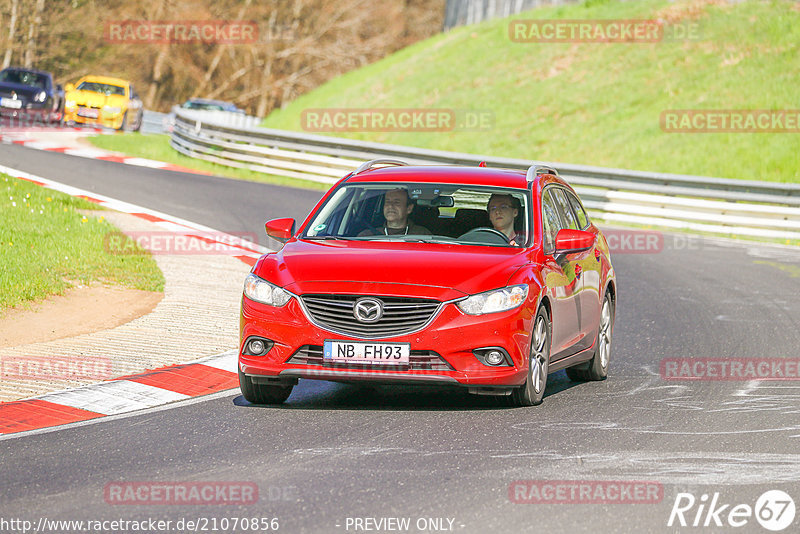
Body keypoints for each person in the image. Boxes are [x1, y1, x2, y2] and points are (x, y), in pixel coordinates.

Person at [359, 188, 431, 236]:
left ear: (409, 208)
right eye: (387, 202)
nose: (390, 206)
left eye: (396, 202)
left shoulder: (423, 235)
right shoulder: (367, 236)